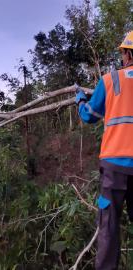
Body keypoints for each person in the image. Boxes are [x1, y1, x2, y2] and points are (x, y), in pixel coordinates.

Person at [75, 31, 133, 270]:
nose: (122, 58)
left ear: (128, 53)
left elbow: (89, 115)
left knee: (108, 226)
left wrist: (79, 99)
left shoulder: (111, 81)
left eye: (123, 53)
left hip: (114, 167)